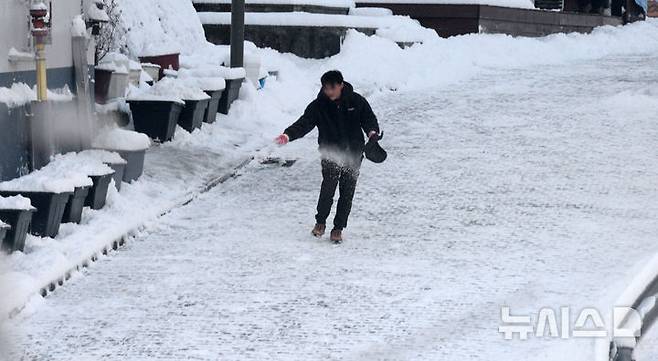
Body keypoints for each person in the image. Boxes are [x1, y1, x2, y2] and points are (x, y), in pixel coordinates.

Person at [274, 70, 381, 244]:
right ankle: (320, 222)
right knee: (328, 187)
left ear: (341, 85)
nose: (328, 92)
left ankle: (338, 227)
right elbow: (304, 123)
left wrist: (372, 132)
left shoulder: (356, 101)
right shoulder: (319, 105)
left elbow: (369, 119)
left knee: (347, 191)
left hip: (353, 152)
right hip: (330, 152)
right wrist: (287, 135)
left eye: (332, 88)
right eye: (325, 88)